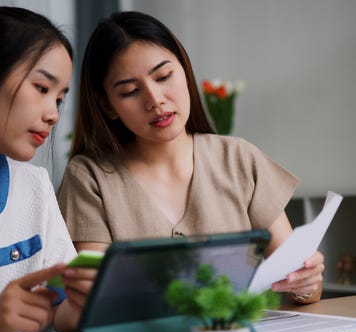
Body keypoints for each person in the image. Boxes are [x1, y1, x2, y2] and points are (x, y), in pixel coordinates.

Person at [57, 11, 324, 304]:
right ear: (107, 105)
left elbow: (301, 284)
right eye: (131, 91)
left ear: (185, 70)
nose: (155, 99)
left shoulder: (238, 158)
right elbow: (94, 300)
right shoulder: (89, 177)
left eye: (164, 76)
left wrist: (305, 283)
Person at [0, 7, 96, 332]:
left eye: (59, 98)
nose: (54, 114)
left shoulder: (34, 185)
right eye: (41, 88)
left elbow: (60, 310)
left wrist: (90, 299)